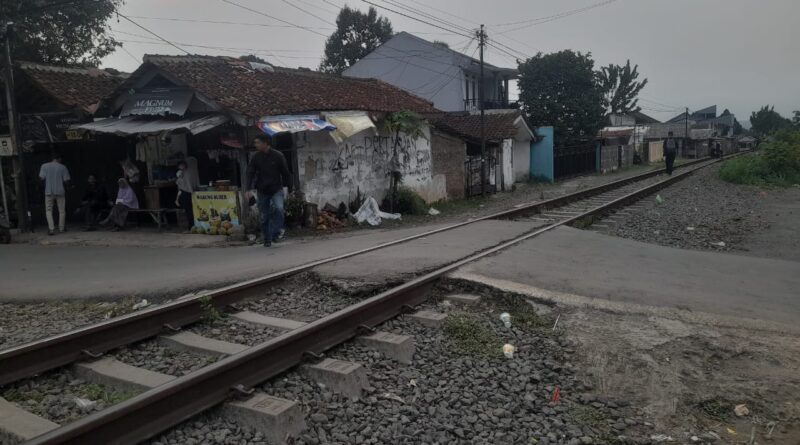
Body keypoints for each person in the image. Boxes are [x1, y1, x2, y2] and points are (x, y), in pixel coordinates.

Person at [245, 135, 292, 247]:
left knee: (279, 209)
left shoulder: (278, 155)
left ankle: (275, 233)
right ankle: (267, 239)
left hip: (276, 189)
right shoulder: (256, 157)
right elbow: (250, 172)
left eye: (257, 142)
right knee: (264, 216)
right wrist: (248, 189)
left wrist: (290, 188)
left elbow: (285, 173)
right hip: (262, 190)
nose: (255, 145)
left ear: (265, 143)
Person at [38, 153, 71, 235]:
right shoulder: (63, 167)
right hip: (60, 191)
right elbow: (66, 180)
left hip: (49, 191)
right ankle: (61, 228)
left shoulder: (44, 166)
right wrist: (68, 187)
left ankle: (51, 229)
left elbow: (41, 178)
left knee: (48, 210)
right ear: (59, 158)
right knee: (62, 211)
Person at [174, 161, 195, 231]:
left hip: (189, 193)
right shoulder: (179, 173)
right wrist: (177, 199)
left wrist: (192, 192)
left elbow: (189, 184)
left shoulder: (188, 172)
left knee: (191, 210)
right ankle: (190, 226)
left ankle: (192, 225)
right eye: (180, 166)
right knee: (188, 210)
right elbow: (179, 187)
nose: (181, 167)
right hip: (184, 193)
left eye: (182, 165)